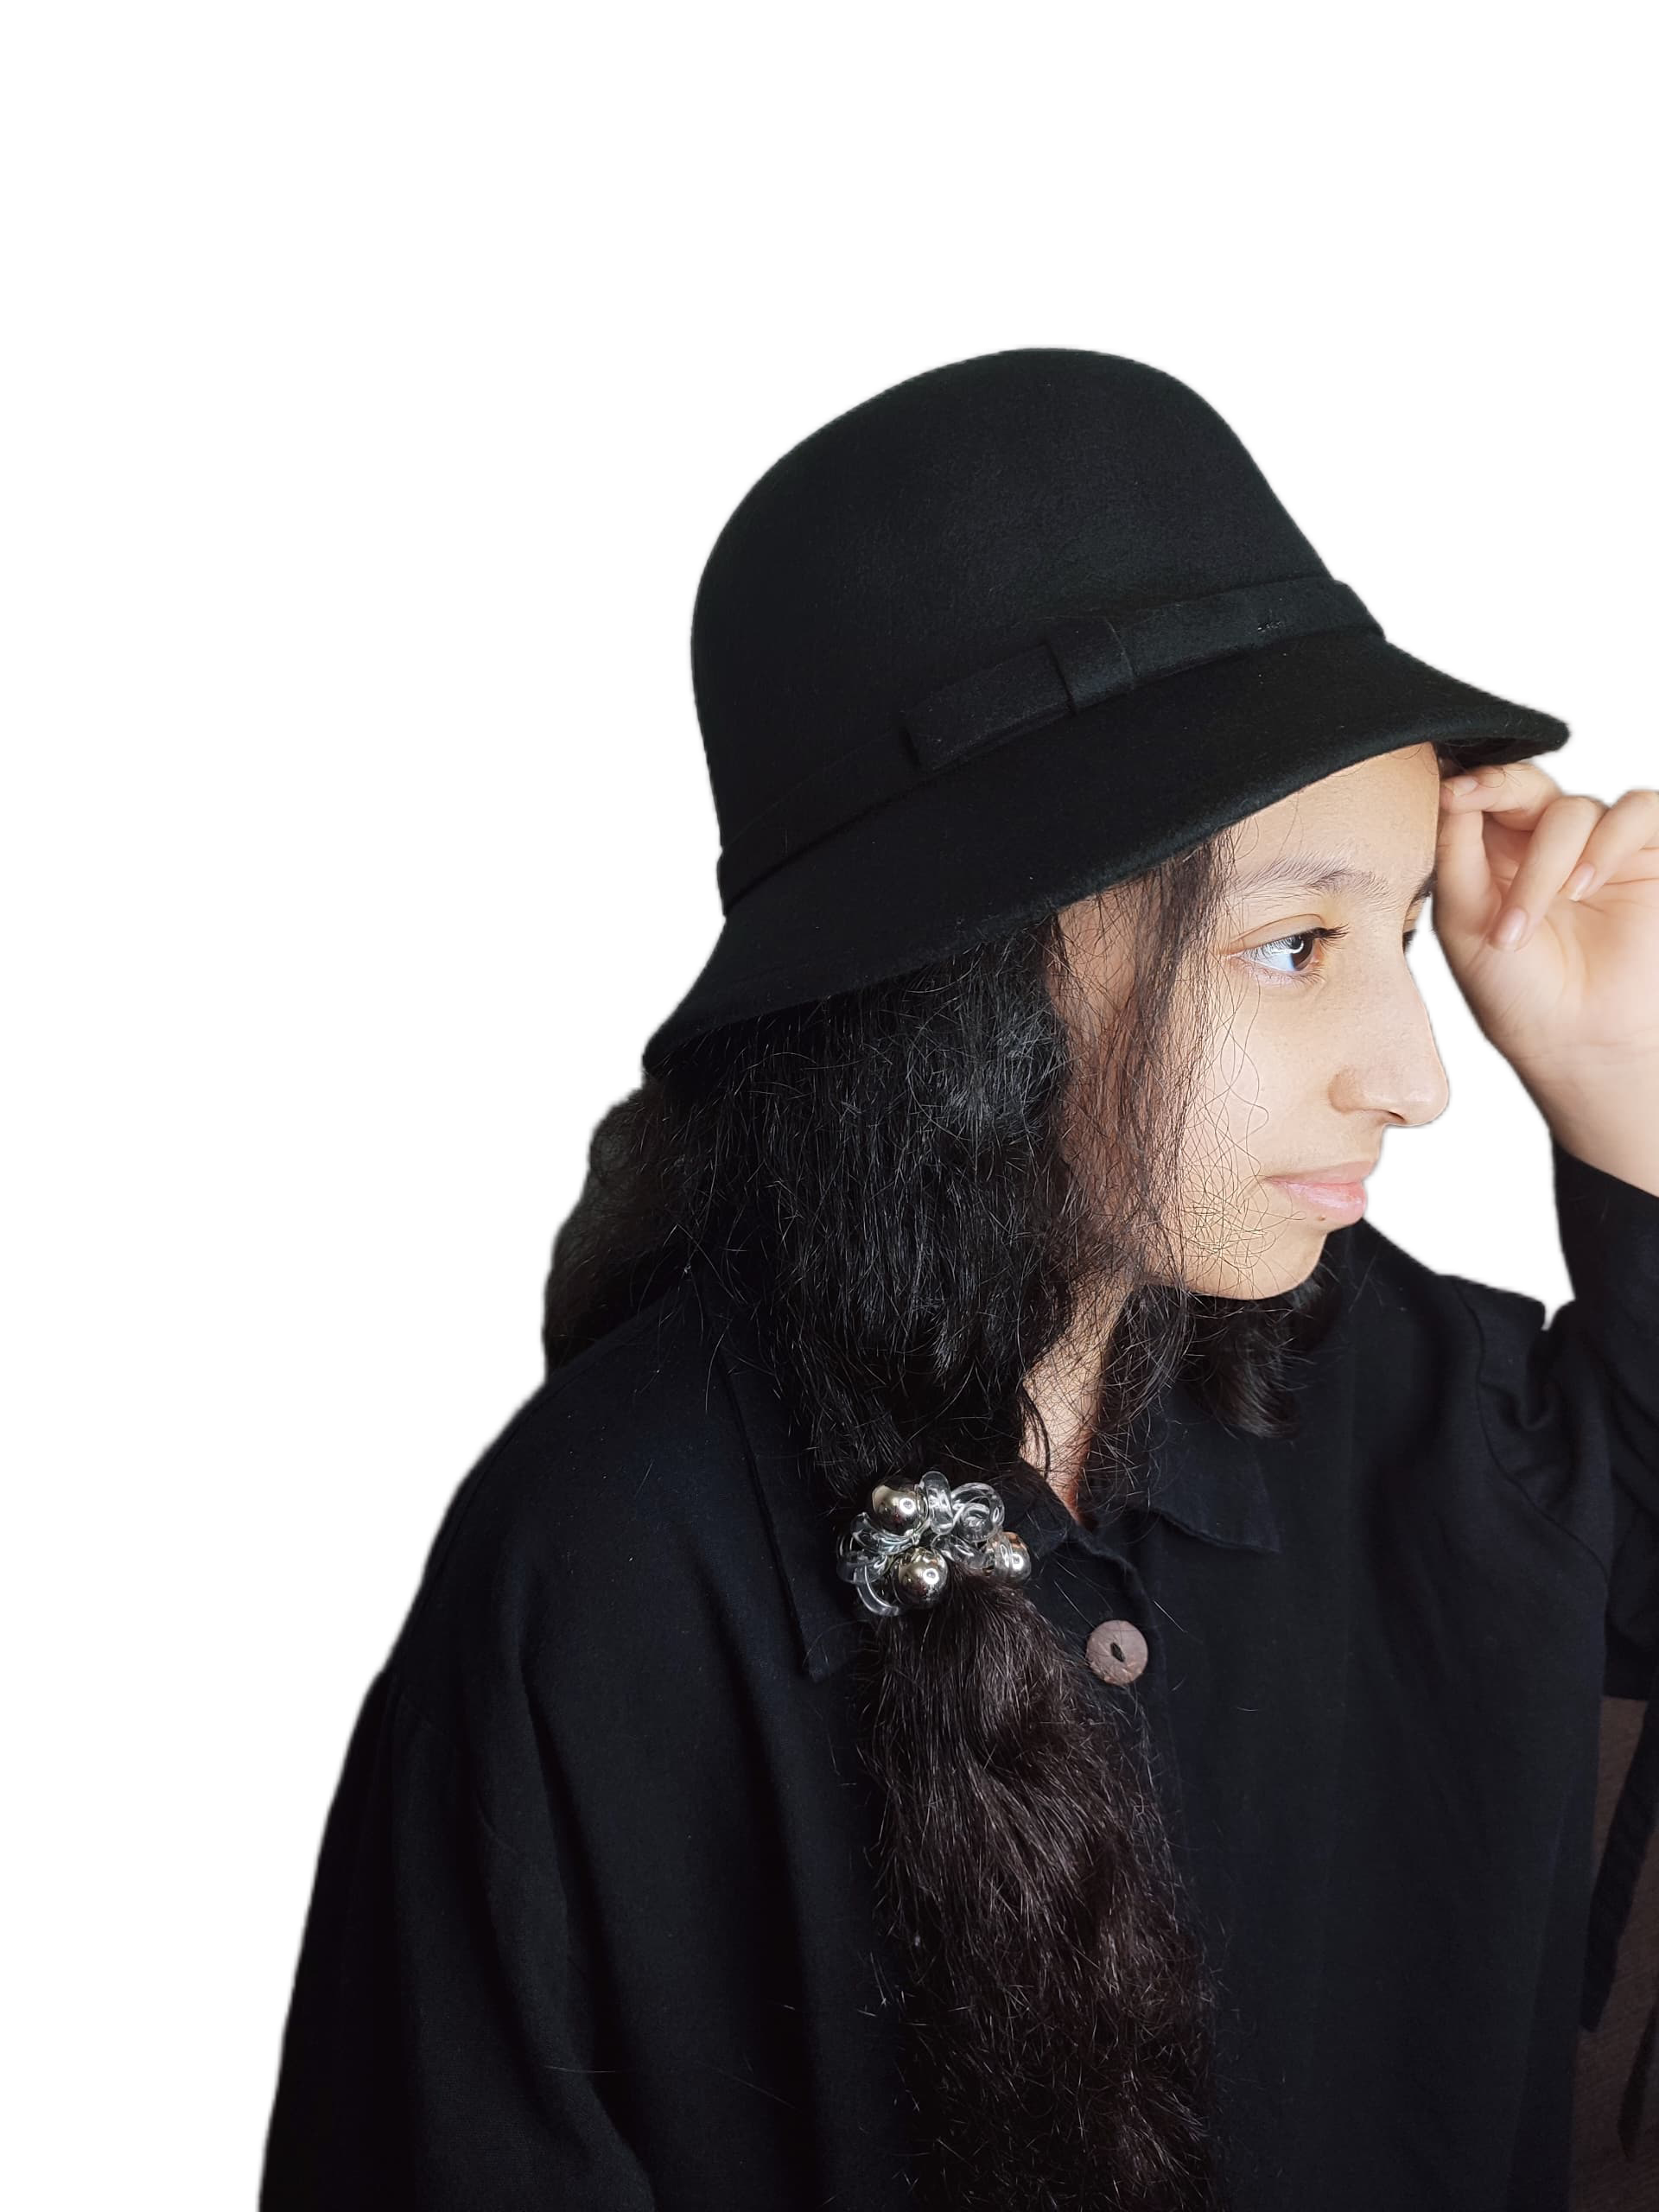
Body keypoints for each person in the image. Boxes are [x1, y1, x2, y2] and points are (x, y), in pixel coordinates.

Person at [257, 349, 1657, 2210]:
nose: (1415, 1077)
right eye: (1294, 945)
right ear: (976, 992)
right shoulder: (605, 1558)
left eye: (1403, 934)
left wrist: (1630, 1101)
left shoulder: (1383, 1378)